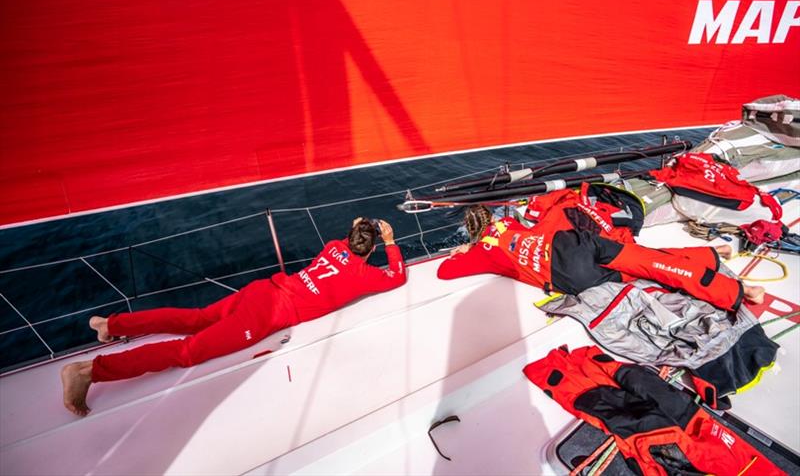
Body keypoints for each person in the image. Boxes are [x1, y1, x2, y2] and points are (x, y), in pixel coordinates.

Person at [61, 218, 405, 416]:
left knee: (195, 318)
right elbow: (398, 276)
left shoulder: (333, 246)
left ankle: (112, 324)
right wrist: (390, 241)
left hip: (262, 290)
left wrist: (364, 229)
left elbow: (350, 241)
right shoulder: (365, 274)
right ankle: (91, 372)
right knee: (188, 351)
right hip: (266, 314)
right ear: (371, 250)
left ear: (348, 238)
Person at [438, 204, 765, 310]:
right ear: (490, 216)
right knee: (649, 261)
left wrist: (467, 250)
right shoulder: (506, 223)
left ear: (471, 231)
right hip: (577, 245)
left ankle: (737, 291)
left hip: (569, 276)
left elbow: (444, 273)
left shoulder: (480, 254)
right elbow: (507, 227)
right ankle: (710, 254)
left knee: (650, 271)